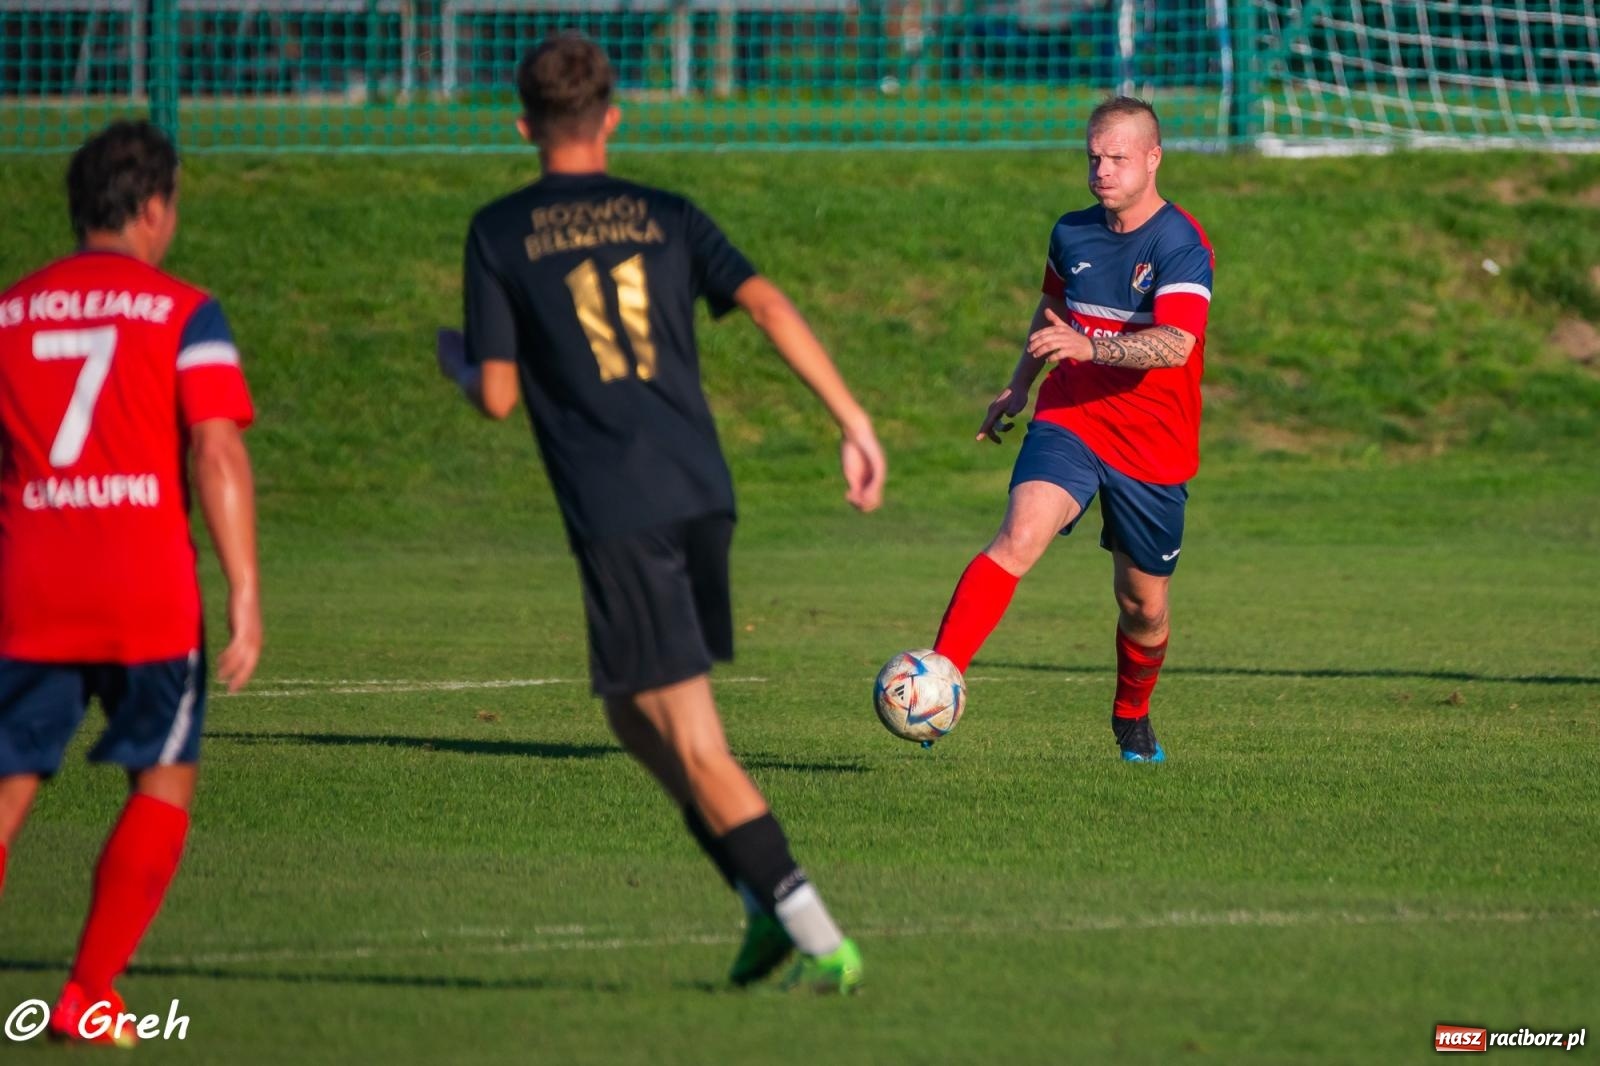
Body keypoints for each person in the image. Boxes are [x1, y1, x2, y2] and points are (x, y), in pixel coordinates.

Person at [436, 33, 886, 993]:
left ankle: (817, 935)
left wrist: (458, 364)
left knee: (691, 738)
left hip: (619, 508)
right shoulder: (665, 214)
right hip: (700, 491)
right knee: (630, 715)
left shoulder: (500, 230)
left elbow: (500, 397)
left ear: (524, 126)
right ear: (612, 119)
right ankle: (761, 905)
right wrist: (853, 420)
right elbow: (764, 305)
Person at [0, 120, 261, 1045]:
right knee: (163, 777)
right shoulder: (186, 312)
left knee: (11, 783)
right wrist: (245, 589)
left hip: (28, 584)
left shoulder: (9, 311)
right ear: (153, 208)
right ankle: (89, 993)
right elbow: (217, 449)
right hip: (146, 594)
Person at [931, 96, 1214, 763]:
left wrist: (1098, 349)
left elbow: (1173, 345)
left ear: (1153, 159)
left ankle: (1132, 713)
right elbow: (1054, 308)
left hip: (1153, 442)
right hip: (1072, 417)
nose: (1103, 170)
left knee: (1142, 607)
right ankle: (937, 679)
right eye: (1094, 157)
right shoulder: (1072, 232)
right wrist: (1021, 382)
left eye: (1118, 158)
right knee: (1018, 535)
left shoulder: (1181, 244)